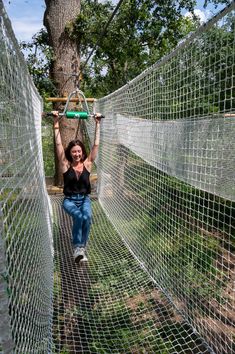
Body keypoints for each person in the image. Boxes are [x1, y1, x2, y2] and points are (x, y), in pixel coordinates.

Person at [53, 111, 102, 263]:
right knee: (79, 216)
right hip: (69, 201)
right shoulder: (65, 164)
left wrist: (98, 124)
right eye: (74, 151)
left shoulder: (87, 164)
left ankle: (82, 247)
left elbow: (96, 145)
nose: (77, 154)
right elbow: (59, 145)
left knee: (87, 217)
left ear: (82, 152)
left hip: (85, 199)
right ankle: (77, 248)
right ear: (70, 153)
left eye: (79, 151)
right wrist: (55, 122)